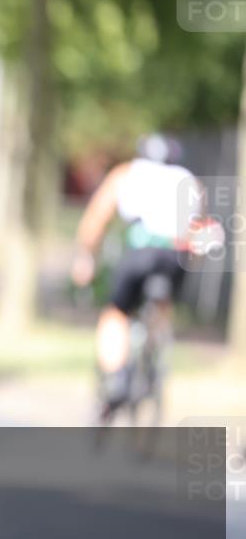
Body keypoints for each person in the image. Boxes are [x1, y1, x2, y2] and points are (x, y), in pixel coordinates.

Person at [70, 133, 203, 416]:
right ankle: (157, 348)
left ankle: (117, 377)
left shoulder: (127, 174)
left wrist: (85, 257)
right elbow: (199, 232)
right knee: (163, 303)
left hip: (140, 253)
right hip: (174, 258)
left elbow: (97, 217)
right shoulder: (191, 181)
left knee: (116, 314)